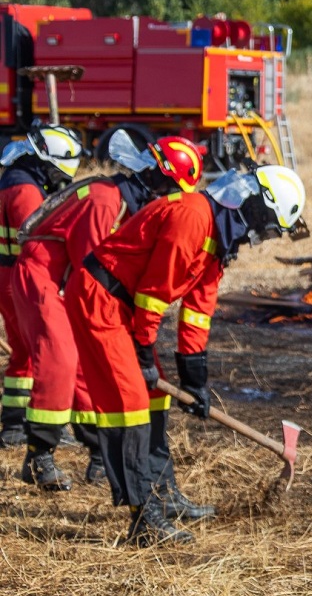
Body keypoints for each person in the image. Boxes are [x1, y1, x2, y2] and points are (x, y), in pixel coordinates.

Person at [64, 164, 307, 546]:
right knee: (128, 404)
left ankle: (165, 494)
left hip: (128, 306)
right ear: (258, 206)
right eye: (268, 226)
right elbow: (154, 293)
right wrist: (144, 353)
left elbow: (197, 312)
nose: (261, 237)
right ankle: (144, 518)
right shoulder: (194, 217)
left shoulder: (219, 240)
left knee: (156, 396)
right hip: (101, 297)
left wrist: (196, 380)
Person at [13, 131, 206, 492]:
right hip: (44, 276)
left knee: (87, 365)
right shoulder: (105, 199)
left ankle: (98, 454)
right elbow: (92, 264)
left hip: (66, 281)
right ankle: (38, 457)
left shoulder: (123, 200)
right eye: (170, 189)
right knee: (60, 358)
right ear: (156, 176)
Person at [0, 124, 85, 449]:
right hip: (23, 279)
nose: (57, 180)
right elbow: (34, 240)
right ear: (42, 162)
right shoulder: (27, 192)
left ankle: (13, 423)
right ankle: (45, 425)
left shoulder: (11, 179)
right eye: (54, 173)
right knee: (48, 354)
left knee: (22, 352)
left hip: (7, 278)